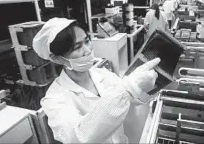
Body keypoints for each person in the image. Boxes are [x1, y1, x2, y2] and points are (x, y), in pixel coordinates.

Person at [32, 17, 160, 143]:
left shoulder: (102, 74)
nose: (87, 50)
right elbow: (79, 137)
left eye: (87, 41)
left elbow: (130, 99)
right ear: (56, 59)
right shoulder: (55, 99)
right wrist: (130, 87)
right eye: (77, 48)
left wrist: (145, 86)